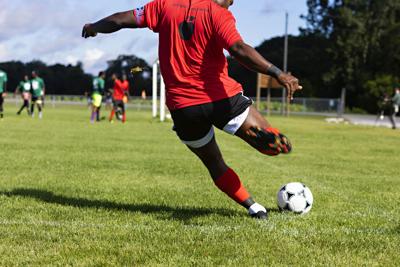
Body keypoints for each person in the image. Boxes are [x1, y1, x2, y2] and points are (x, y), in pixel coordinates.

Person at [82, 0, 302, 219]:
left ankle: (254, 208)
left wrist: (94, 27)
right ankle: (267, 144)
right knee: (274, 143)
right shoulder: (217, 14)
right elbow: (238, 49)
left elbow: (119, 19)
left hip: (183, 108)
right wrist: (277, 73)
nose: (232, 4)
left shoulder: (163, 6)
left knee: (214, 163)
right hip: (221, 99)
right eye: (231, 0)